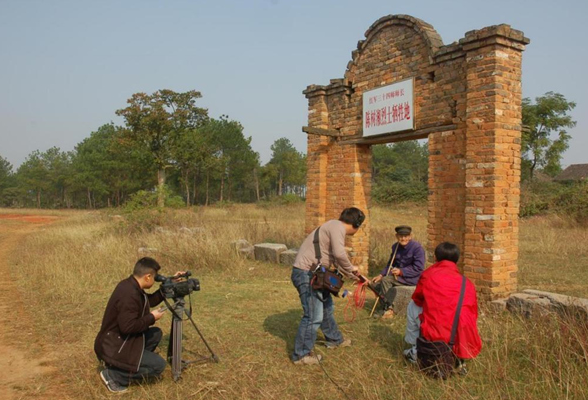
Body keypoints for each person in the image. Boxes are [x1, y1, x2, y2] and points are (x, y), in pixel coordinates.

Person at [290, 207, 365, 365]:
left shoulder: (333, 227)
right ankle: (301, 355)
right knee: (313, 315)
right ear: (357, 224)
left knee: (326, 308)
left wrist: (356, 277)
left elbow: (336, 260)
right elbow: (339, 254)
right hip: (306, 274)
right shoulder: (337, 227)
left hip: (317, 274)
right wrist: (352, 269)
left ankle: (335, 340)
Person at [94, 257, 181, 392]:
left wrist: (168, 285)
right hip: (113, 346)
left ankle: (127, 364)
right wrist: (152, 317)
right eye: (154, 277)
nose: (155, 280)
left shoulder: (131, 285)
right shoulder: (129, 294)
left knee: (156, 333)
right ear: (147, 277)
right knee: (158, 366)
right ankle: (114, 375)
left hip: (119, 340)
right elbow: (128, 327)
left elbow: (148, 301)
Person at [403, 242, 482, 375]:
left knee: (412, 306)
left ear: (435, 257)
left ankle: (415, 349)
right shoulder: (466, 282)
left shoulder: (429, 274)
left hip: (437, 333)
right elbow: (473, 312)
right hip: (461, 336)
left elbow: (417, 298)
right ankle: (457, 357)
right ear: (457, 260)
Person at [371, 225, 425, 318]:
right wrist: (381, 274)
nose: (403, 238)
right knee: (375, 283)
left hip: (412, 278)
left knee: (386, 280)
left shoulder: (417, 248)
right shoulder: (395, 247)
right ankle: (385, 306)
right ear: (397, 236)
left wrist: (401, 271)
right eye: (400, 236)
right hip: (398, 277)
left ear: (410, 236)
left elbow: (418, 268)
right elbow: (390, 264)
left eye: (406, 236)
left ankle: (388, 309)